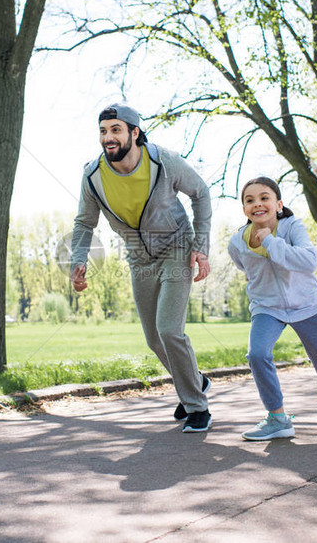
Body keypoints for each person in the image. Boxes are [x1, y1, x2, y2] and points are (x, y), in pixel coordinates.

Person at [70, 103, 213, 432]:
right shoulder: (93, 176)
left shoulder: (163, 161)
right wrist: (79, 260)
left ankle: (196, 407)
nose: (109, 137)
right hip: (138, 256)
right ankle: (197, 381)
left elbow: (201, 193)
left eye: (116, 130)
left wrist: (200, 248)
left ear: (135, 133)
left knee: (169, 329)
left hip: (177, 247)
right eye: (104, 131)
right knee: (154, 339)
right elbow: (84, 223)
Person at [227, 176, 317, 441]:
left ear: (278, 204)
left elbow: (309, 262)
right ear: (244, 210)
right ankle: (277, 418)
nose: (257, 204)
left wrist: (271, 243)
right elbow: (245, 268)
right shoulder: (237, 242)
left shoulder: (293, 226)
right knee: (257, 354)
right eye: (249, 200)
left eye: (264, 198)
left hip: (307, 304)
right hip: (267, 307)